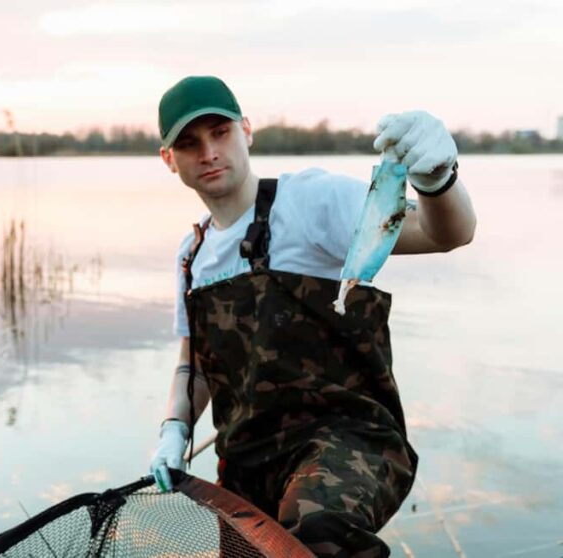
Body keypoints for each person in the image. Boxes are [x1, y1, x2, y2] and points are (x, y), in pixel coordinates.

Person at [147, 76, 476, 557]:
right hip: (245, 465)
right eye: (190, 143)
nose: (209, 152)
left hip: (349, 439)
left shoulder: (311, 202)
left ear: (247, 131)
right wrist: (173, 430)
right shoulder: (191, 257)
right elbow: (193, 362)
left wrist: (438, 180)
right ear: (168, 159)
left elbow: (444, 233)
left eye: (220, 133)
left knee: (317, 531)